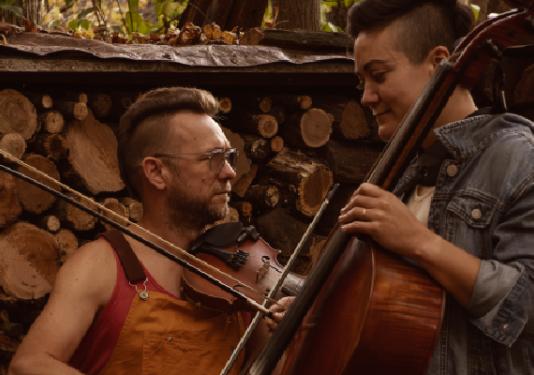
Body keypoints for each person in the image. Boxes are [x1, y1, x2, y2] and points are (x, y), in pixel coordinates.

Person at [8, 87, 290, 375]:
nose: (230, 172)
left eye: (229, 156)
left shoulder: (239, 276)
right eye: (213, 158)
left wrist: (280, 334)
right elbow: (29, 365)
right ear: (156, 172)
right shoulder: (100, 265)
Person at [338, 0, 534, 374]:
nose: (366, 97)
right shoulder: (400, 171)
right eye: (362, 81)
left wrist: (419, 241)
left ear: (437, 61)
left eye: (378, 75)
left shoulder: (518, 159)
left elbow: (527, 306)